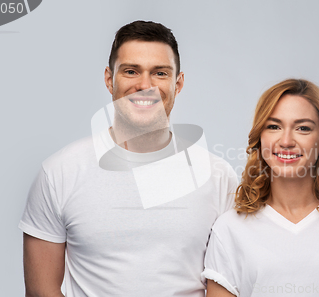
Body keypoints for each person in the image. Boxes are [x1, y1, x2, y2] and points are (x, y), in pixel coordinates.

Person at [19, 20, 238, 297]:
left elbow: (228, 285)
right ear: (110, 79)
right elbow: (41, 291)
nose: (145, 85)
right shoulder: (59, 172)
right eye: (131, 71)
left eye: (159, 73)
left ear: (178, 83)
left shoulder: (218, 176)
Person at [202, 79, 319, 297]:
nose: (286, 141)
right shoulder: (229, 229)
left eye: (303, 128)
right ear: (260, 137)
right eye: (274, 126)